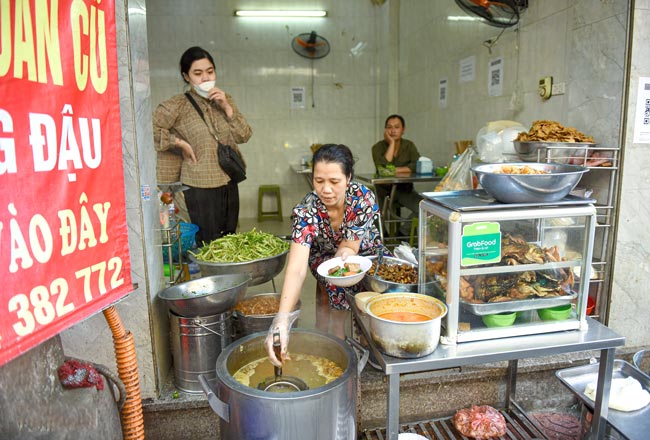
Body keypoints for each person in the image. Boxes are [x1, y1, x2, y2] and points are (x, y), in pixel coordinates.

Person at [265, 144, 391, 367]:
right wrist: (281, 319)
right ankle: (337, 347)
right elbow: (296, 268)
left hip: (365, 251)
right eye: (319, 180)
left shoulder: (362, 198)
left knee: (385, 284)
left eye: (334, 182)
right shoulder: (306, 211)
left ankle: (374, 342)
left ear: (348, 178)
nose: (326, 189)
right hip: (324, 257)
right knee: (335, 285)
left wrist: (344, 254)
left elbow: (350, 247)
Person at [153, 46, 252, 244]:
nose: (205, 78)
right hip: (199, 186)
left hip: (228, 181)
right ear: (186, 76)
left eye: (210, 71)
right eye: (198, 73)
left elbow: (244, 135)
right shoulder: (178, 105)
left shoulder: (225, 99)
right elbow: (150, 129)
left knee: (229, 241)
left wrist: (226, 107)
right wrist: (179, 143)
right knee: (206, 244)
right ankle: (208, 276)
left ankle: (225, 276)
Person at [371, 114, 423, 228]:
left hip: (405, 190)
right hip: (383, 192)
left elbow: (416, 165)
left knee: (425, 208)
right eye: (389, 127)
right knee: (372, 213)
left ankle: (404, 233)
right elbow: (382, 169)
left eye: (396, 127)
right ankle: (381, 240)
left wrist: (393, 170)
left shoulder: (409, 145)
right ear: (385, 130)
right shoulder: (377, 147)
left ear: (403, 130)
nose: (393, 130)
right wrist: (392, 144)